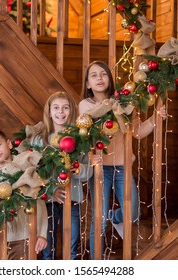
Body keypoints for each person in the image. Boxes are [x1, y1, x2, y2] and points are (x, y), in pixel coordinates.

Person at [78, 60, 167, 259]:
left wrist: (154, 119)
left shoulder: (124, 103)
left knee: (133, 213)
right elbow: (95, 119)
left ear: (109, 79)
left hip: (123, 167)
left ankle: (114, 217)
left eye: (103, 74)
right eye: (94, 75)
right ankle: (96, 264)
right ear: (88, 85)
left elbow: (136, 131)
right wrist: (121, 104)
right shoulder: (86, 105)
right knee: (99, 222)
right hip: (100, 169)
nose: (99, 78)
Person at [29, 91, 93, 260]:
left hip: (72, 200)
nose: (60, 112)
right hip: (46, 203)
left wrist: (78, 170)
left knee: (70, 250)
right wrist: (52, 191)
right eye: (56, 107)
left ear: (71, 111)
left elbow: (89, 171)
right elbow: (33, 174)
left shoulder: (80, 139)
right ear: (49, 112)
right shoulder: (39, 140)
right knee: (46, 251)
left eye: (65, 108)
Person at [0, 128, 48, 260]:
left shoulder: (23, 167)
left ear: (9, 144)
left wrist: (42, 234)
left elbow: (39, 201)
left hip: (22, 236)